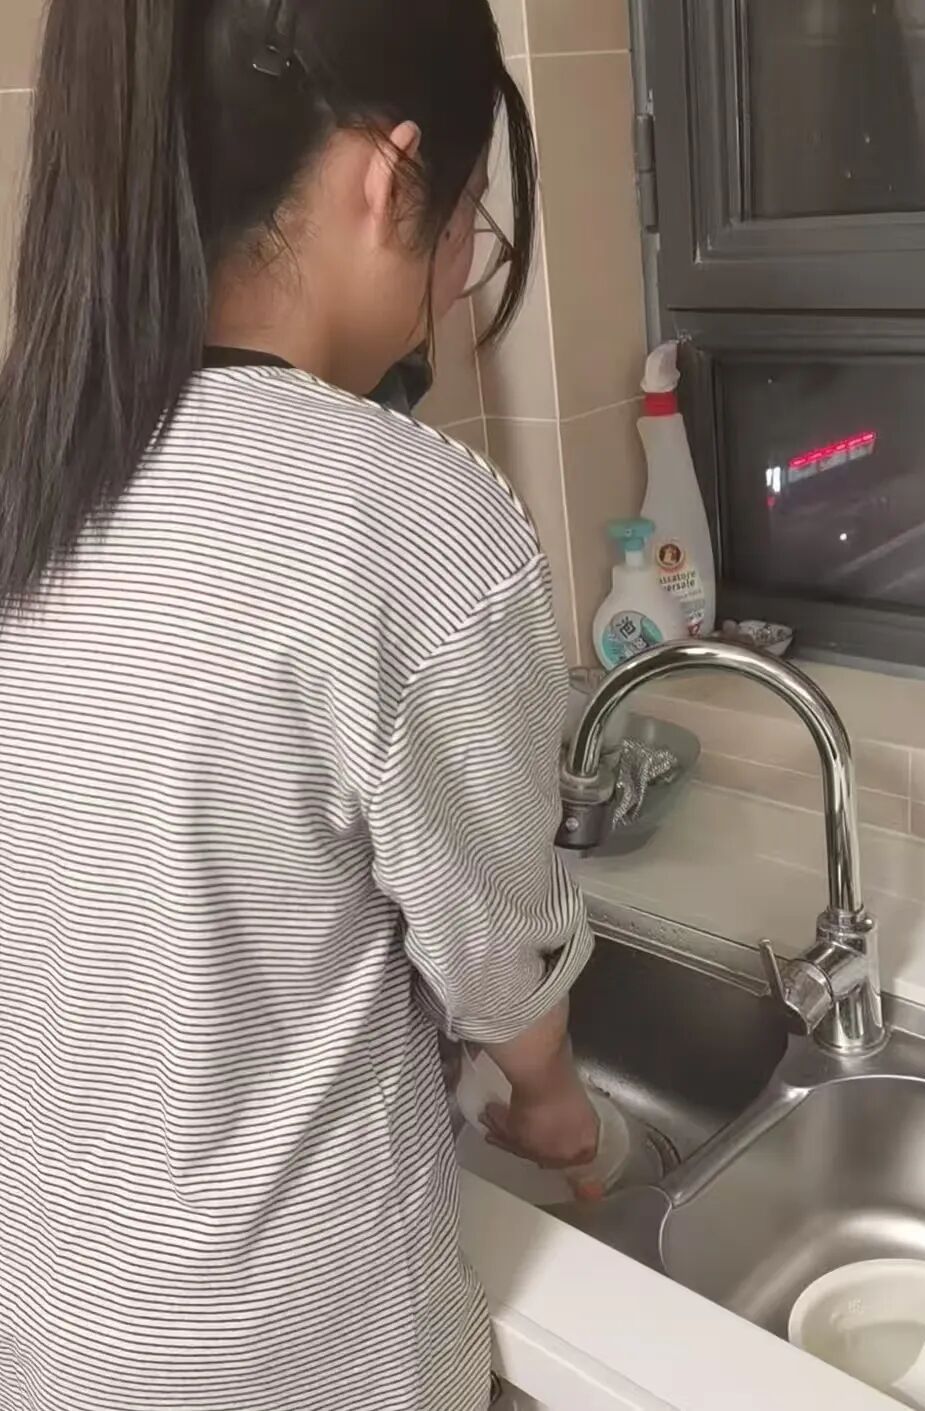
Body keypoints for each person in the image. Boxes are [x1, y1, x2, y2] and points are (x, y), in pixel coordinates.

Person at [0, 1, 599, 1408]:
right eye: (469, 223)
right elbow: (495, 957)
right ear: (387, 180)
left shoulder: (38, 478)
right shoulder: (400, 513)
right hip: (300, 1350)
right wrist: (552, 1098)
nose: (460, 278)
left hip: (52, 1329)